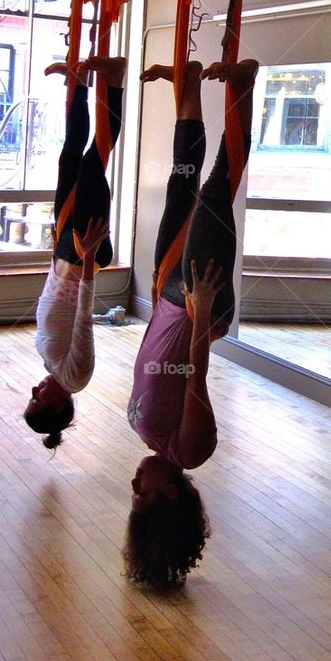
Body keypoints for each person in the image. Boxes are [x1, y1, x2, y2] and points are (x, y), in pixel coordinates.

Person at [125, 57, 258, 590]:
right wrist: (203, 315)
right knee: (217, 189)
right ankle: (244, 87)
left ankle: (190, 81)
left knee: (182, 180)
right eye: (143, 494)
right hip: (197, 305)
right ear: (172, 494)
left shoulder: (144, 434)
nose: (135, 483)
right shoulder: (189, 450)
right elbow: (196, 376)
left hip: (166, 295)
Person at [24, 55, 126, 449]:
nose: (35, 389)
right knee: (92, 160)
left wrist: (58, 255)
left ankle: (80, 81)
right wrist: (85, 260)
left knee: (70, 155)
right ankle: (113, 82)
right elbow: (83, 318)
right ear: (54, 406)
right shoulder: (76, 376)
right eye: (37, 399)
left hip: (64, 256)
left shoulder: (54, 369)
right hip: (83, 256)